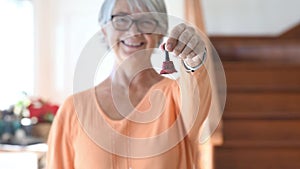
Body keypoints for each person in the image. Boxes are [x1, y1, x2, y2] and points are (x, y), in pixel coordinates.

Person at [46, 0, 218, 168]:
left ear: (160, 31)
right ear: (105, 30)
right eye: (121, 19)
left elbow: (196, 87)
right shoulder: (73, 110)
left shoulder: (178, 97)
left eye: (146, 21)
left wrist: (194, 60)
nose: (134, 30)